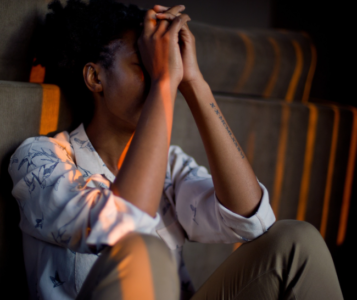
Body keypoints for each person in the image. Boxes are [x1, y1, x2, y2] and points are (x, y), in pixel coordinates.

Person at [9, 0, 343, 299]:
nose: (159, 76)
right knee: (144, 250)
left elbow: (253, 223)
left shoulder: (170, 165)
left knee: (297, 240)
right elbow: (127, 228)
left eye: (165, 66)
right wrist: (166, 82)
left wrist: (194, 82)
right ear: (95, 77)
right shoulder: (39, 159)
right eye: (146, 65)